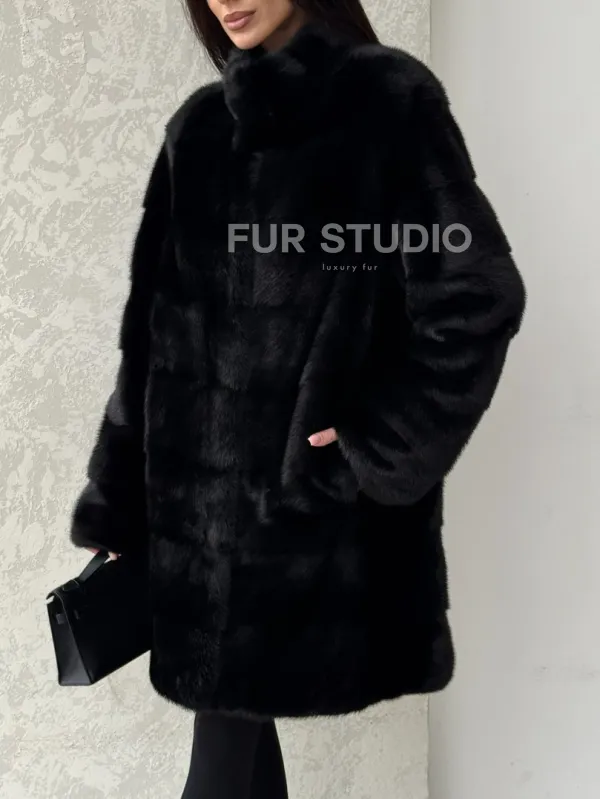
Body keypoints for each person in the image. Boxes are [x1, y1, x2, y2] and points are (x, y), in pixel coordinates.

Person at [69, 0, 527, 796]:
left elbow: (476, 296)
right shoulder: (198, 130)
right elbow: (149, 342)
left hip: (302, 515)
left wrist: (373, 440)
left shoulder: (387, 104)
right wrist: (122, 509)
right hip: (196, 529)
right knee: (240, 751)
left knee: (220, 760)